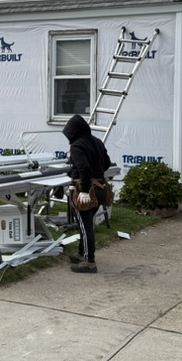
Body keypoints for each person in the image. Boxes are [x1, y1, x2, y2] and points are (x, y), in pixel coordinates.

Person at [62, 114, 113, 274]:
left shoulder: (77, 146)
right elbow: (106, 163)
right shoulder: (97, 142)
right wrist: (96, 175)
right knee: (86, 223)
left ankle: (89, 262)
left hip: (86, 190)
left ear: (73, 132)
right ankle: (81, 254)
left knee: (85, 226)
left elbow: (83, 168)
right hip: (99, 187)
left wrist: (83, 189)